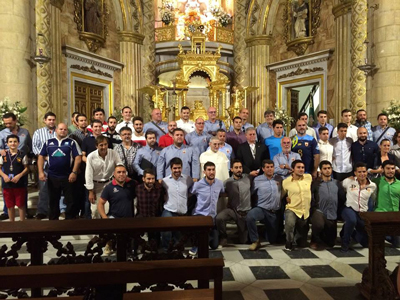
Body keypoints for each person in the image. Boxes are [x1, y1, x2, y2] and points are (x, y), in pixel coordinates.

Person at [38, 123, 82, 220]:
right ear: (56, 130)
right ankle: (54, 221)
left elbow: (78, 157)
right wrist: (41, 172)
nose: (63, 131)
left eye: (65, 129)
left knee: (70, 200)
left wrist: (74, 172)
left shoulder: (72, 142)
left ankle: (70, 220)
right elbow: (41, 157)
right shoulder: (48, 142)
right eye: (61, 129)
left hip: (68, 176)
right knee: (53, 200)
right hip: (53, 176)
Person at [189, 162, 225, 255]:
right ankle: (197, 245)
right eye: (209, 170)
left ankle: (206, 238)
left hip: (212, 216)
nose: (211, 172)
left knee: (214, 245)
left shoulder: (219, 183)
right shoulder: (198, 185)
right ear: (204, 172)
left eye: (213, 170)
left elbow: (222, 192)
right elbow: (191, 194)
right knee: (200, 233)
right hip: (200, 215)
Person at [247, 160, 283, 250]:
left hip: (274, 212)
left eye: (271, 167)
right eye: (267, 167)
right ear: (263, 169)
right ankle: (255, 240)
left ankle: (265, 232)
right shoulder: (257, 180)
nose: (270, 169)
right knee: (250, 216)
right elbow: (250, 193)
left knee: (272, 240)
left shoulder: (279, 179)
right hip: (261, 209)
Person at [341, 162, 376, 252]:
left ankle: (346, 231)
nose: (362, 174)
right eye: (359, 172)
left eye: (364, 171)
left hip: (363, 213)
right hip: (349, 208)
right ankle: (345, 243)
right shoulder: (348, 181)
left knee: (365, 243)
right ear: (355, 173)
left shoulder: (372, 186)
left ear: (367, 172)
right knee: (352, 220)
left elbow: (373, 199)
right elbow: (341, 188)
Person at [85, 135, 122, 219]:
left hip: (110, 183)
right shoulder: (91, 156)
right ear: (96, 146)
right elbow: (88, 174)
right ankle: (96, 230)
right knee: (95, 211)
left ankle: (107, 230)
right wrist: (90, 191)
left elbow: (120, 164)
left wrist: (122, 176)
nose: (104, 147)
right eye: (101, 145)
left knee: (108, 209)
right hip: (96, 185)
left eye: (105, 144)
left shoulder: (113, 153)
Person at [161, 158, 194, 251]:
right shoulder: (165, 181)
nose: (177, 170)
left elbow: (192, 191)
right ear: (171, 169)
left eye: (179, 168)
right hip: (169, 210)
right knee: (166, 228)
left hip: (182, 212)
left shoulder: (188, 179)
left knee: (179, 238)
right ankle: (166, 250)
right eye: (175, 168)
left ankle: (177, 252)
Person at [216, 160, 251, 246]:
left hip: (246, 212)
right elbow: (220, 191)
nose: (239, 169)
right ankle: (223, 237)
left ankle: (241, 232)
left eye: (240, 167)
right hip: (233, 211)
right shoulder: (228, 182)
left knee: (244, 241)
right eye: (236, 168)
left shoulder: (248, 178)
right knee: (219, 218)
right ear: (231, 169)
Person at [310, 161, 342, 250]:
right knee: (319, 224)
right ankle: (314, 240)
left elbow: (341, 197)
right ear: (321, 170)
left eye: (329, 168)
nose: (327, 171)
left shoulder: (337, 183)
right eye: (325, 169)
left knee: (331, 243)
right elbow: (311, 197)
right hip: (319, 211)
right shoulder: (316, 183)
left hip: (332, 213)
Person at [31, 112, 57, 220]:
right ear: (45, 120)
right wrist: (44, 156)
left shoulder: (59, 131)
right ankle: (42, 211)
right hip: (44, 164)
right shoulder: (38, 132)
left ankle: (56, 210)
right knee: (44, 189)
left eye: (53, 119)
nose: (51, 121)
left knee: (57, 189)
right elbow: (35, 147)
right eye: (49, 119)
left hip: (57, 164)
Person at [282, 160, 312, 251]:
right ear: (293, 169)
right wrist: (286, 199)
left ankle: (297, 238)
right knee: (290, 224)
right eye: (298, 167)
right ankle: (288, 242)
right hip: (292, 208)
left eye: (302, 167)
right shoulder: (286, 181)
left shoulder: (308, 177)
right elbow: (282, 196)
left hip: (305, 211)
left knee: (302, 243)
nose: (301, 169)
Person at [0, 135, 29, 221]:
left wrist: (19, 175)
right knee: (10, 205)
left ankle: (22, 223)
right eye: (10, 142)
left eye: (15, 141)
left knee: (21, 204)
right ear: (7, 143)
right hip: (7, 184)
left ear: (18, 143)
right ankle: (12, 224)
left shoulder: (22, 154)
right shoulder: (3, 155)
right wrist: (4, 176)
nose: (13, 143)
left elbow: (27, 168)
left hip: (19, 184)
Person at [372, 160, 400, 247]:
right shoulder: (376, 181)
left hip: (395, 216)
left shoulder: (399, 183)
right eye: (388, 168)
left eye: (392, 168)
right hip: (380, 214)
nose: (390, 171)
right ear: (383, 169)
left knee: (397, 244)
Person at [135, 169, 164, 248]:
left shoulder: (159, 188)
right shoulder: (138, 188)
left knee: (155, 242)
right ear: (143, 179)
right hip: (142, 216)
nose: (151, 181)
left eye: (152, 179)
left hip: (154, 217)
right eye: (148, 179)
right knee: (134, 234)